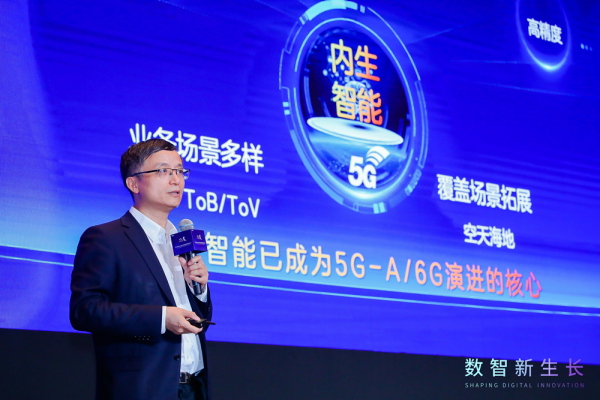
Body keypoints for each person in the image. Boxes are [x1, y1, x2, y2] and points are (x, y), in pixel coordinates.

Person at [70, 139, 212, 400]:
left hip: (195, 387)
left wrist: (198, 291)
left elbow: (195, 321)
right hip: (142, 389)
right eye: (164, 171)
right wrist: (162, 318)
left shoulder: (179, 242)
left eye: (180, 171)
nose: (176, 180)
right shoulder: (105, 238)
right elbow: (85, 310)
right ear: (133, 184)